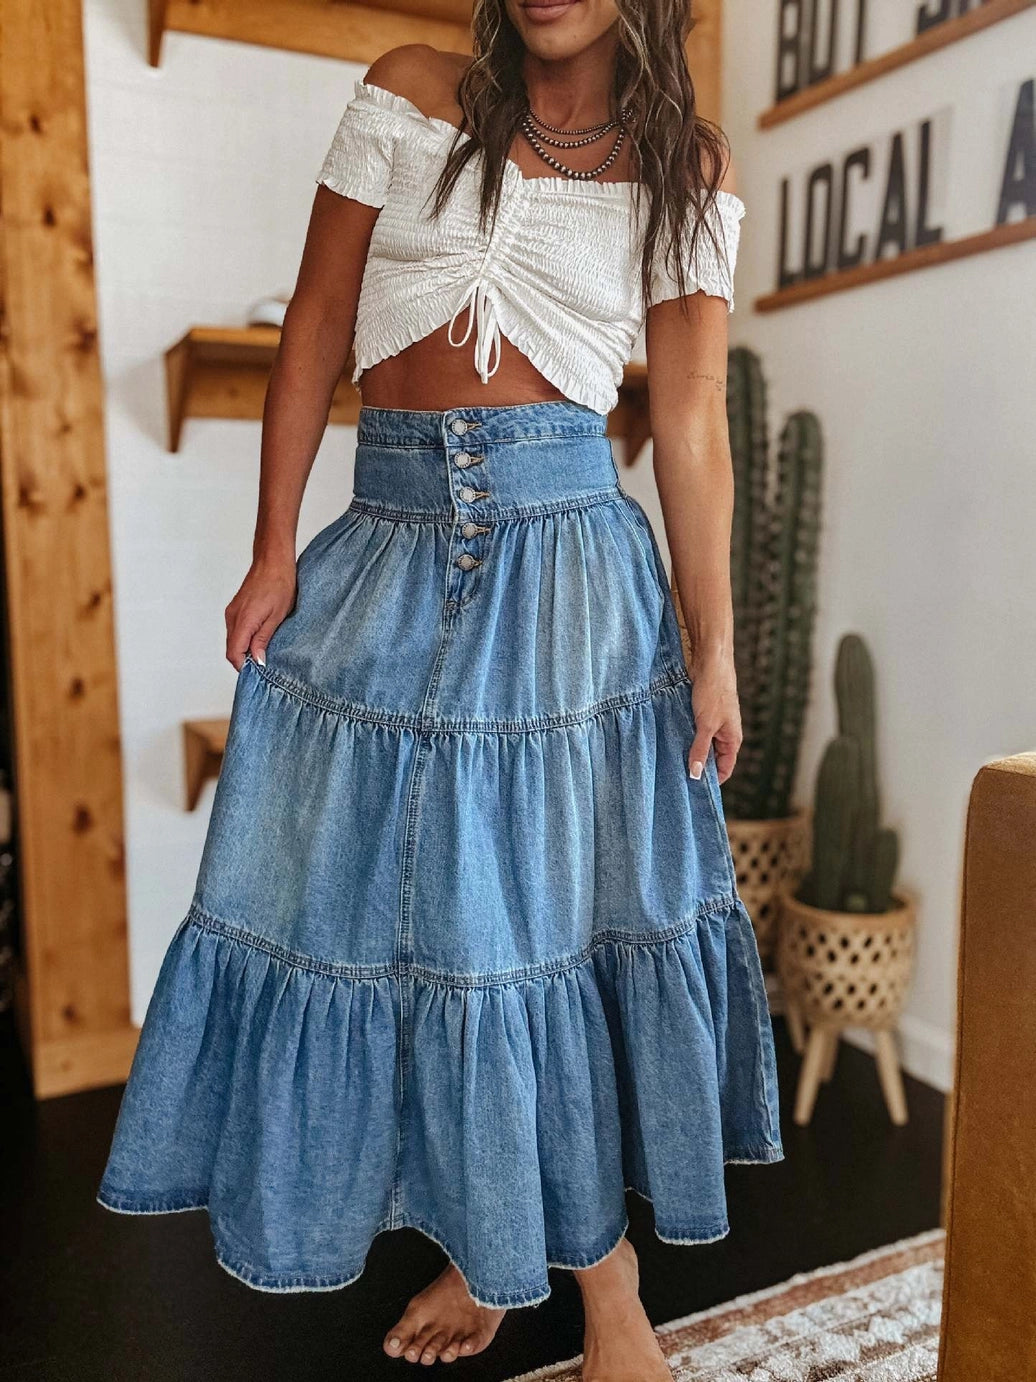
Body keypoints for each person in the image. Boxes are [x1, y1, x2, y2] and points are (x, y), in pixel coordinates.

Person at [97, 2, 784, 1377]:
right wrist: (272, 547)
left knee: (534, 938)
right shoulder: (411, 90)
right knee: (402, 919)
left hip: (569, 572)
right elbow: (317, 320)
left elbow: (692, 419)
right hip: (389, 543)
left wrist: (712, 647)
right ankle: (490, 1238)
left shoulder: (685, 166)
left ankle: (606, 1290)